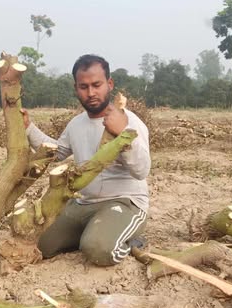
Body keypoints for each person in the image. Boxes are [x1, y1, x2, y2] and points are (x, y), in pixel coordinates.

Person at [22, 54, 151, 266]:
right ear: (76, 88)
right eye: (84, 87)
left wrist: (122, 135)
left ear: (109, 84)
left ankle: (130, 242)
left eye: (96, 85)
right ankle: (93, 233)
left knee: (99, 250)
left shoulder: (130, 121)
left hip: (125, 202)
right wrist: (28, 127)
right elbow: (57, 152)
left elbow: (142, 170)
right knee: (42, 245)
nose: (91, 93)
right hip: (82, 203)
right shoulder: (76, 124)